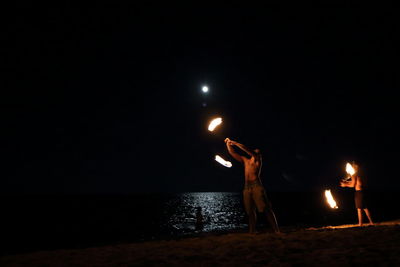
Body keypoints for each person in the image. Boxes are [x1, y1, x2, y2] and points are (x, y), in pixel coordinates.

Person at [224, 138, 280, 234]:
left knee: (266, 208)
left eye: (257, 152)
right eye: (255, 151)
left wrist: (236, 143)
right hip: (246, 187)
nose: (255, 152)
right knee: (250, 211)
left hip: (256, 186)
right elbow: (232, 153)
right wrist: (228, 144)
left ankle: (276, 230)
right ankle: (252, 230)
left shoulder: (258, 161)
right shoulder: (246, 161)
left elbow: (247, 150)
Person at [340, 162, 374, 226]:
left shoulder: (353, 175)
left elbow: (353, 185)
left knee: (359, 209)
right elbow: (355, 182)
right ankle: (371, 222)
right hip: (362, 192)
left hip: (359, 193)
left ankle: (360, 224)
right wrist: (346, 182)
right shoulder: (358, 174)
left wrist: (345, 184)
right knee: (365, 208)